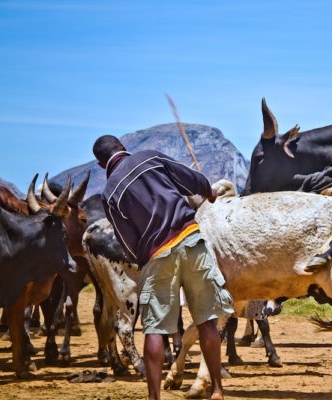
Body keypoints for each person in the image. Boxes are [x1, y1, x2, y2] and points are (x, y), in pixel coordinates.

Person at [92, 135, 234, 400]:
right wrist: (209, 191)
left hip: (156, 255)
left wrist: (147, 259)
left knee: (154, 330)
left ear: (102, 166)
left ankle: (154, 398)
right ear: (123, 148)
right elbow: (190, 179)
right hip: (191, 241)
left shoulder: (109, 194)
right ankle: (216, 390)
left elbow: (127, 241)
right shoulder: (149, 157)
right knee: (206, 322)